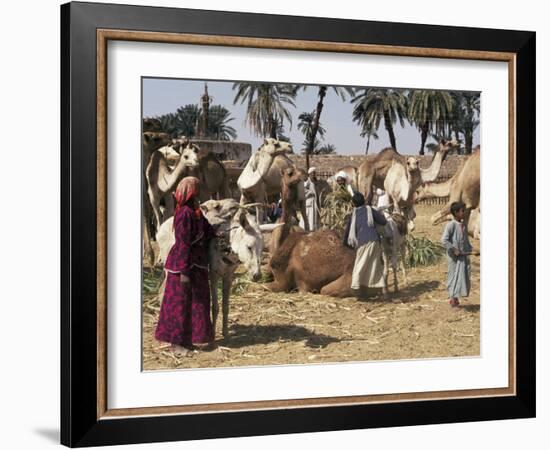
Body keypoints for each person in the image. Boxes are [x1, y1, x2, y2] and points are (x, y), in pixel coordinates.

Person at [154, 176, 217, 355]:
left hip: (196, 264)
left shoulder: (196, 212)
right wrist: (184, 271)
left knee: (196, 303)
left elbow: (207, 229)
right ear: (192, 192)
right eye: (198, 189)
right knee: (179, 305)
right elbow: (183, 243)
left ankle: (189, 340)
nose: (200, 192)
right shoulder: (184, 214)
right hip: (184, 265)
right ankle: (177, 344)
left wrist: (218, 235)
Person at [343, 192, 388, 298]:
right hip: (375, 241)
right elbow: (383, 221)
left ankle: (356, 289)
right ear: (364, 201)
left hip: (363, 242)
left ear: (353, 204)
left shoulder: (353, 215)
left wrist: (346, 246)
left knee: (359, 265)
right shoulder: (370, 210)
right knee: (374, 267)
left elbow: (347, 233)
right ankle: (378, 291)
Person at [441, 201, 473, 308]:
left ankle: (456, 298)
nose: (464, 213)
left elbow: (466, 241)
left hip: (462, 257)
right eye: (462, 211)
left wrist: (472, 250)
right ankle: (453, 300)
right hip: (453, 258)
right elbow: (444, 240)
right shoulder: (451, 225)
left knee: (461, 277)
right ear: (456, 212)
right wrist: (454, 249)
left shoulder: (463, 225)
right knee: (453, 277)